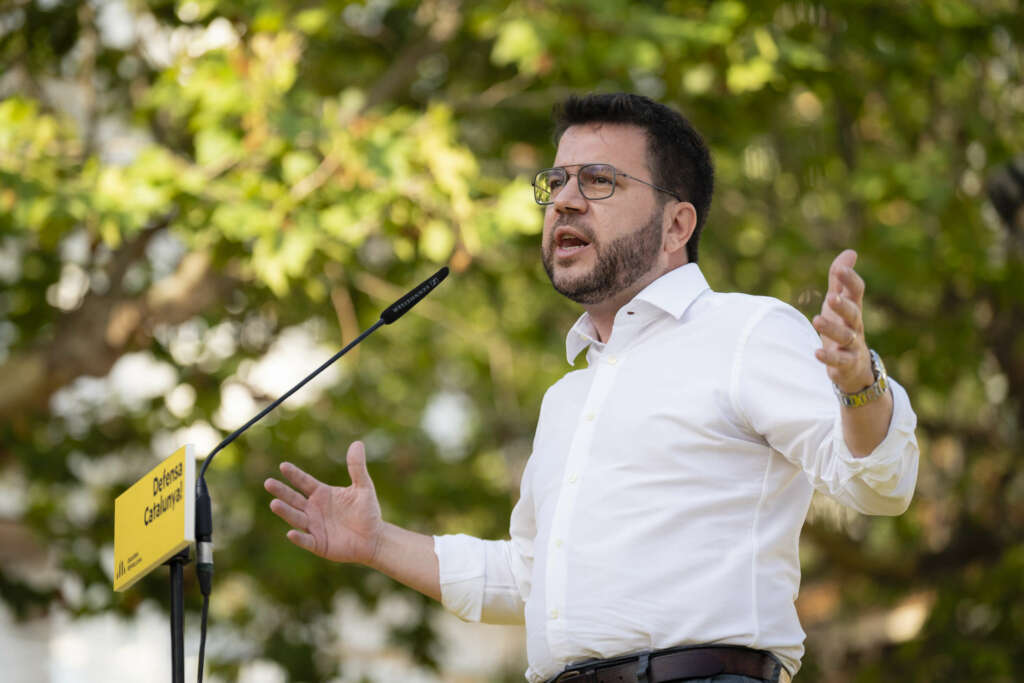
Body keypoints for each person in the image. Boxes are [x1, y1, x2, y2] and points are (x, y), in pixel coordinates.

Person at [264, 93, 919, 683]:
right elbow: (531, 578)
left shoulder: (744, 330)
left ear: (676, 225)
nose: (565, 200)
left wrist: (859, 384)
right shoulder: (567, 399)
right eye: (556, 181)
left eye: (599, 180)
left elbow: (880, 483)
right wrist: (380, 543)